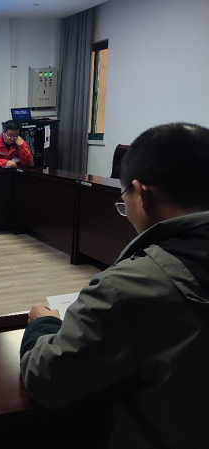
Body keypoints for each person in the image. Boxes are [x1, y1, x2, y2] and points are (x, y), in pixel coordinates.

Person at [19, 123, 209, 448]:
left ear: (142, 194)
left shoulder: (127, 288)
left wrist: (43, 325)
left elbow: (47, 378)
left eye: (124, 199)